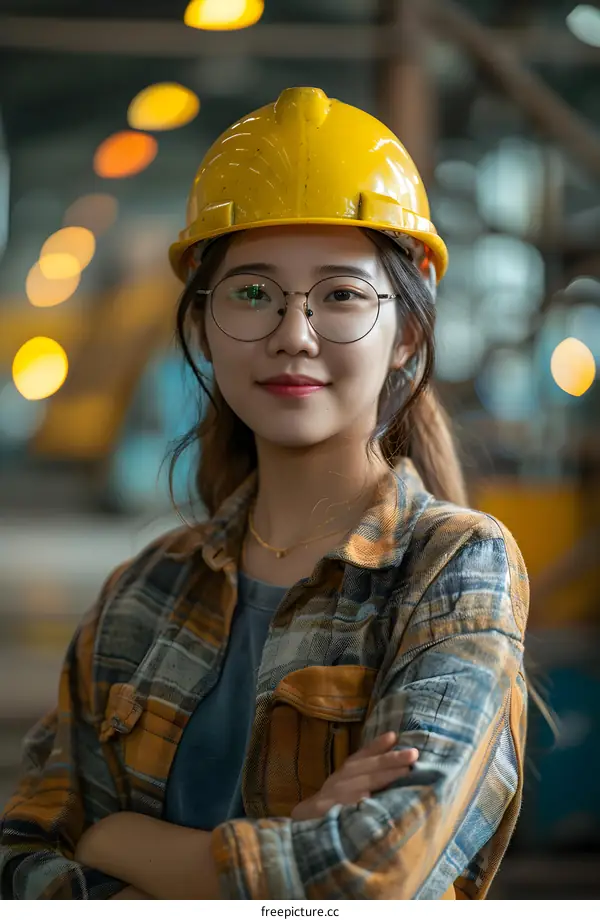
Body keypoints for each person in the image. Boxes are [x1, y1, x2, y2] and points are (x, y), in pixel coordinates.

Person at [0, 87, 527, 900]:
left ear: (408, 333)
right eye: (252, 292)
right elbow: (19, 858)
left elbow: (370, 875)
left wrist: (121, 842)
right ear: (205, 327)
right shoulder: (142, 593)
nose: (294, 332)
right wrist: (287, 846)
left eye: (342, 295)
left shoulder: (453, 567)